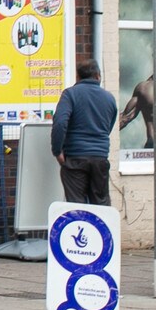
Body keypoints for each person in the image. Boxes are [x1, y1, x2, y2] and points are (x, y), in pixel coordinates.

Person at [52, 57, 117, 204]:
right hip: (100, 158)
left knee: (77, 206)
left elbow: (60, 122)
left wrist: (57, 150)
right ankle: (101, 226)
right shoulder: (109, 98)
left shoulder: (70, 94)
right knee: (101, 206)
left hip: (75, 157)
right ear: (98, 76)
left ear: (78, 76)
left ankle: (80, 227)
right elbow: (108, 126)